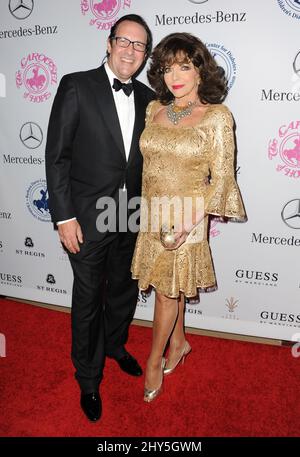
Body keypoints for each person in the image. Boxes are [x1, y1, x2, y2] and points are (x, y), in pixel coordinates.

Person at [45, 14, 155, 422]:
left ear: (145, 55)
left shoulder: (148, 99)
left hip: (131, 215)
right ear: (109, 43)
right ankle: (88, 378)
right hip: (87, 218)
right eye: (123, 41)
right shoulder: (76, 85)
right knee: (89, 298)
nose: (130, 50)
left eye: (139, 45)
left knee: (124, 289)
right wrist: (64, 217)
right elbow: (57, 157)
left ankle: (114, 345)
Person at [131, 32, 246, 402]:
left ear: (201, 71)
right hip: (153, 213)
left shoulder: (217, 117)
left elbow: (223, 179)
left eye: (184, 66)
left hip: (187, 219)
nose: (174, 76)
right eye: (166, 68)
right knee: (173, 284)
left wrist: (185, 224)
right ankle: (178, 342)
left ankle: (153, 362)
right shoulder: (154, 110)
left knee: (166, 294)